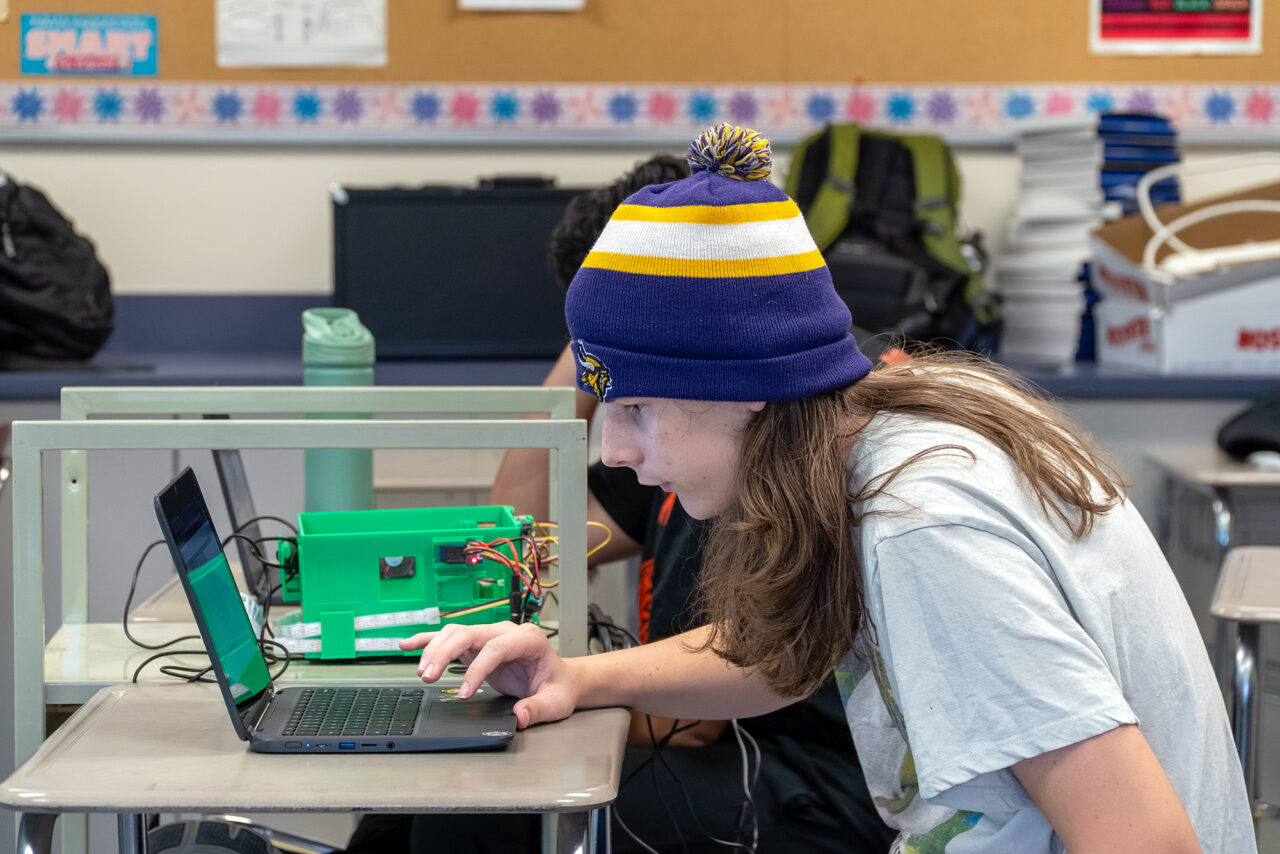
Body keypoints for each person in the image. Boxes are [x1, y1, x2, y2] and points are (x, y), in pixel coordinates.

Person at [402, 124, 1256, 853]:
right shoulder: (886, 429)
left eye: (637, 407)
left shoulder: (925, 524)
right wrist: (581, 679)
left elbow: (1146, 840)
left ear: (744, 384)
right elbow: (784, 653)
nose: (614, 448)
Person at [344, 154, 894, 853]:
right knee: (400, 816)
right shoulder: (690, 426)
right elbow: (529, 539)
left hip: (808, 785)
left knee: (471, 811)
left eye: (630, 401)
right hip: (755, 749)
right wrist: (598, 355)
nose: (614, 449)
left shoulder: (755, 436)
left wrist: (548, 699)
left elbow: (702, 717)